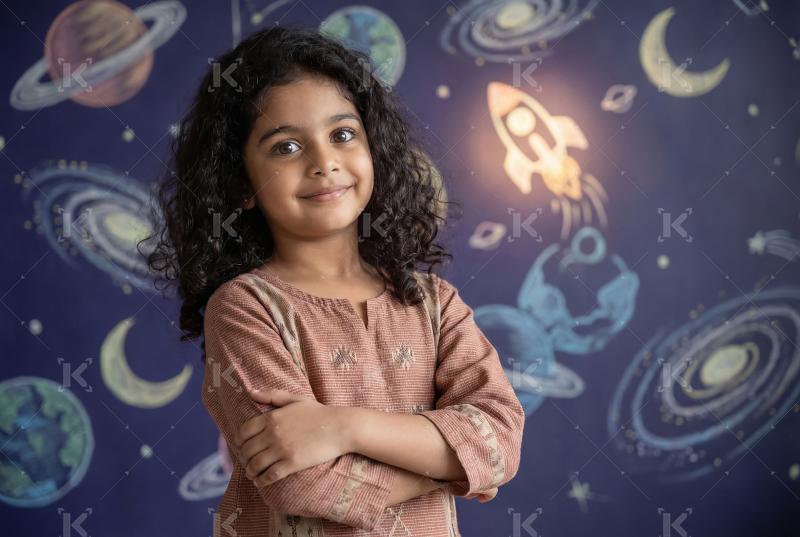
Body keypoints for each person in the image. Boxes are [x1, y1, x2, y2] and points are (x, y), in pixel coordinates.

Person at [146, 23, 525, 537]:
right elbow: (303, 487)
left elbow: (502, 438)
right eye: (285, 147)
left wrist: (340, 426)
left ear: (375, 150)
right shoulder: (243, 308)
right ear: (240, 184)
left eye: (342, 135)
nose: (324, 162)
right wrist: (454, 465)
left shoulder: (433, 303)